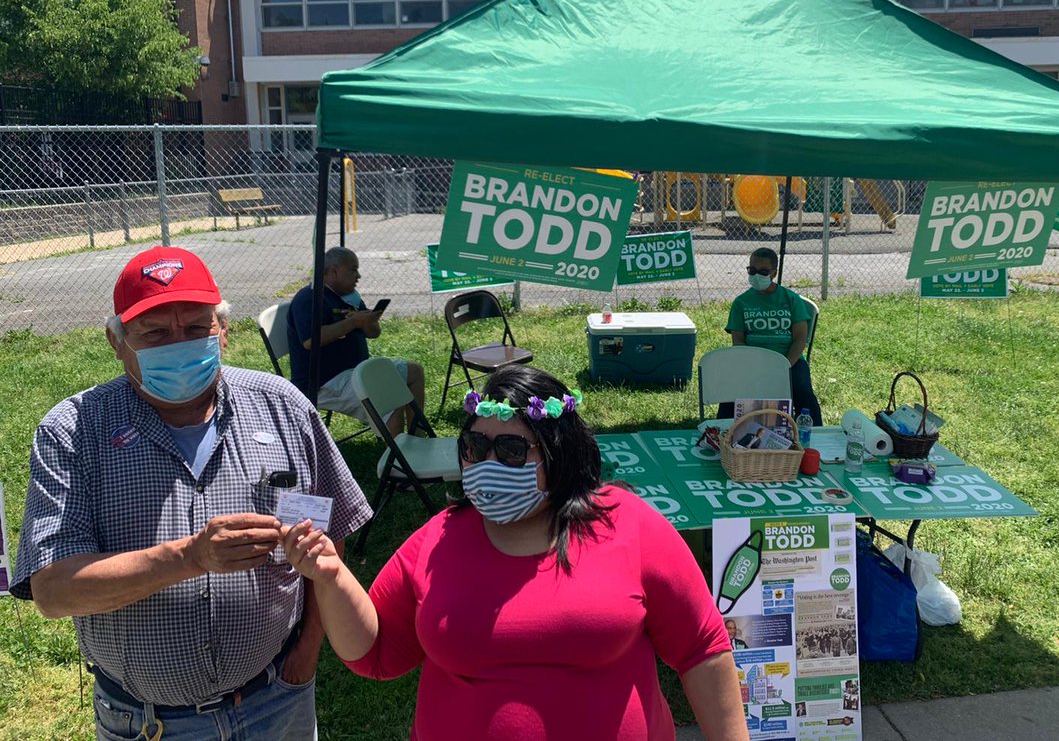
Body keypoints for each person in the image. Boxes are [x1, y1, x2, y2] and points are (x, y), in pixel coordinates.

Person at [12, 246, 374, 741]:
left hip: (276, 699)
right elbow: (52, 591)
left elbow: (327, 534)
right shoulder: (74, 431)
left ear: (223, 331)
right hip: (148, 721)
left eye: (196, 328)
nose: (178, 344)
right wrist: (190, 557)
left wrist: (308, 649)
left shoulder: (282, 407)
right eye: (156, 334)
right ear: (117, 342)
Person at [281, 364, 750, 741]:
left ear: (557, 452)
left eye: (510, 449)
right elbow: (374, 654)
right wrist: (331, 576)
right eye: (474, 446)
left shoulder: (628, 524)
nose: (487, 463)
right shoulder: (439, 539)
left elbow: (702, 651)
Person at [287, 246, 425, 438]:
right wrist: (352, 322)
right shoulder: (310, 298)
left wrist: (366, 322)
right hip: (325, 382)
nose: (358, 275)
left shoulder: (348, 296)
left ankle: (417, 440)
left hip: (356, 371)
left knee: (414, 372)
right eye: (353, 269)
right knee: (390, 397)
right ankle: (400, 464)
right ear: (334, 271)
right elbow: (311, 340)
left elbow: (374, 333)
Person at [724, 247, 823, 425]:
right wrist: (751, 364)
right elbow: (738, 340)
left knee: (803, 391)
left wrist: (784, 365)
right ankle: (723, 434)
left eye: (763, 271)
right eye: (752, 270)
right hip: (752, 362)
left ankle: (815, 435)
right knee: (731, 392)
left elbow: (800, 338)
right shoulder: (741, 302)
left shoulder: (791, 299)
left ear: (774, 273)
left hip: (789, 361)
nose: (756, 275)